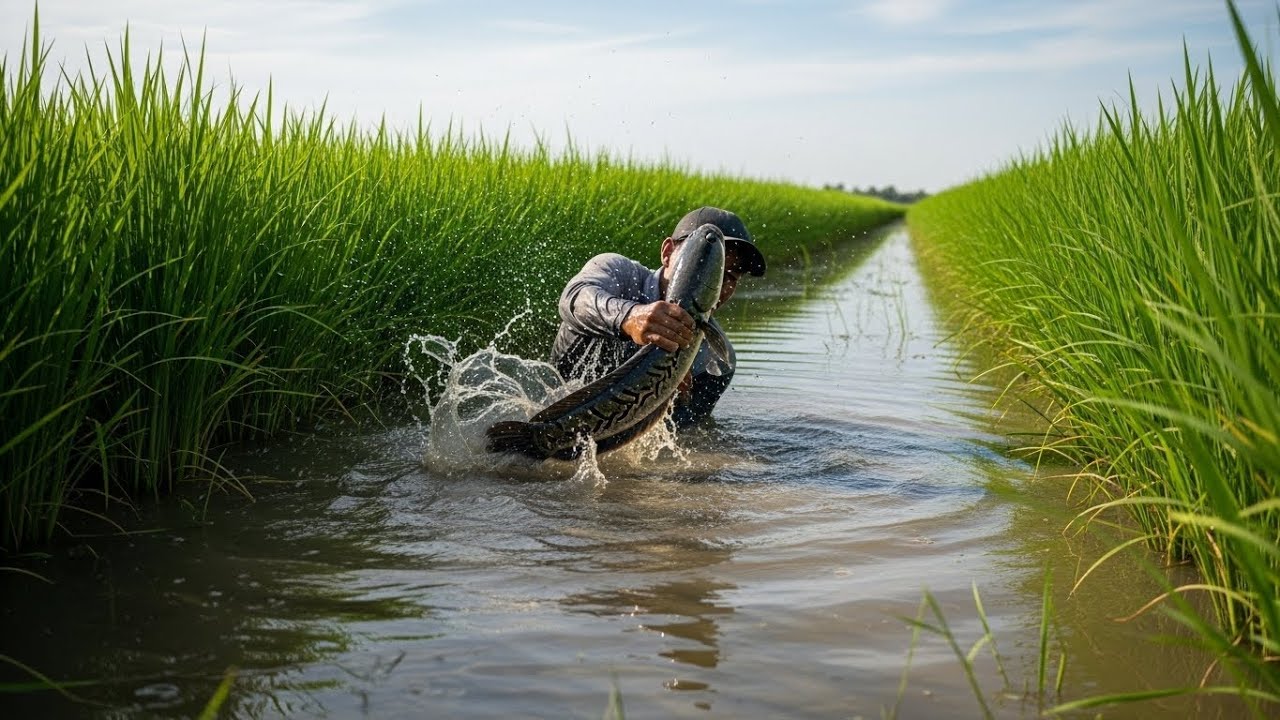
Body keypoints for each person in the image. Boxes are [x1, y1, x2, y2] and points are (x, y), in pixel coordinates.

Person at [550, 206, 767, 428]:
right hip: (551, 401)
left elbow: (687, 434)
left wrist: (678, 401)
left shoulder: (717, 360)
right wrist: (629, 317)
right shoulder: (618, 273)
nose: (717, 284)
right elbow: (573, 299)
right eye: (706, 266)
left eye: (730, 276)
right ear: (667, 252)